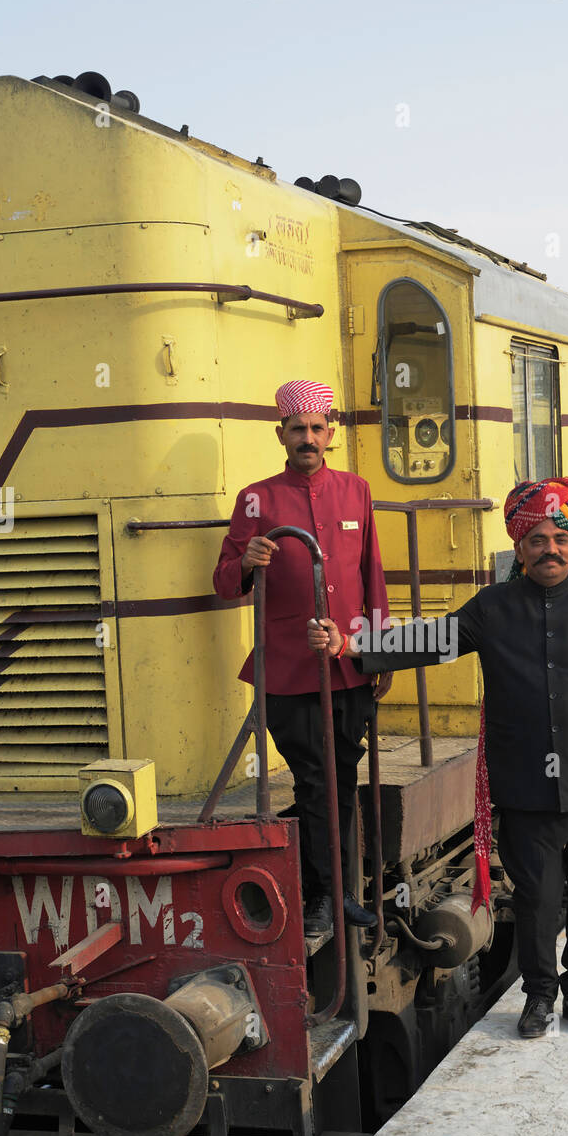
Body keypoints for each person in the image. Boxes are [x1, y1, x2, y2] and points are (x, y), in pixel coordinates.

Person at [307, 476, 568, 1034]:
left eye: (561, 539)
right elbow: (432, 640)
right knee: (537, 898)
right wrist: (354, 646)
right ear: (519, 549)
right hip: (525, 788)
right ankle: (540, 996)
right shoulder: (492, 609)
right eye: (538, 540)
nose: (551, 549)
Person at [213, 378, 392, 935]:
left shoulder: (356, 490)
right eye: (298, 429)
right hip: (289, 671)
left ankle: (335, 893)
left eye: (317, 428)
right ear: (281, 435)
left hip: (348, 664)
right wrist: (249, 559)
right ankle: (328, 898)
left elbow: (372, 577)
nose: (308, 438)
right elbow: (223, 583)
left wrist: (377, 651)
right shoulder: (256, 498)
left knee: (340, 775)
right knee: (317, 780)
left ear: (331, 434)